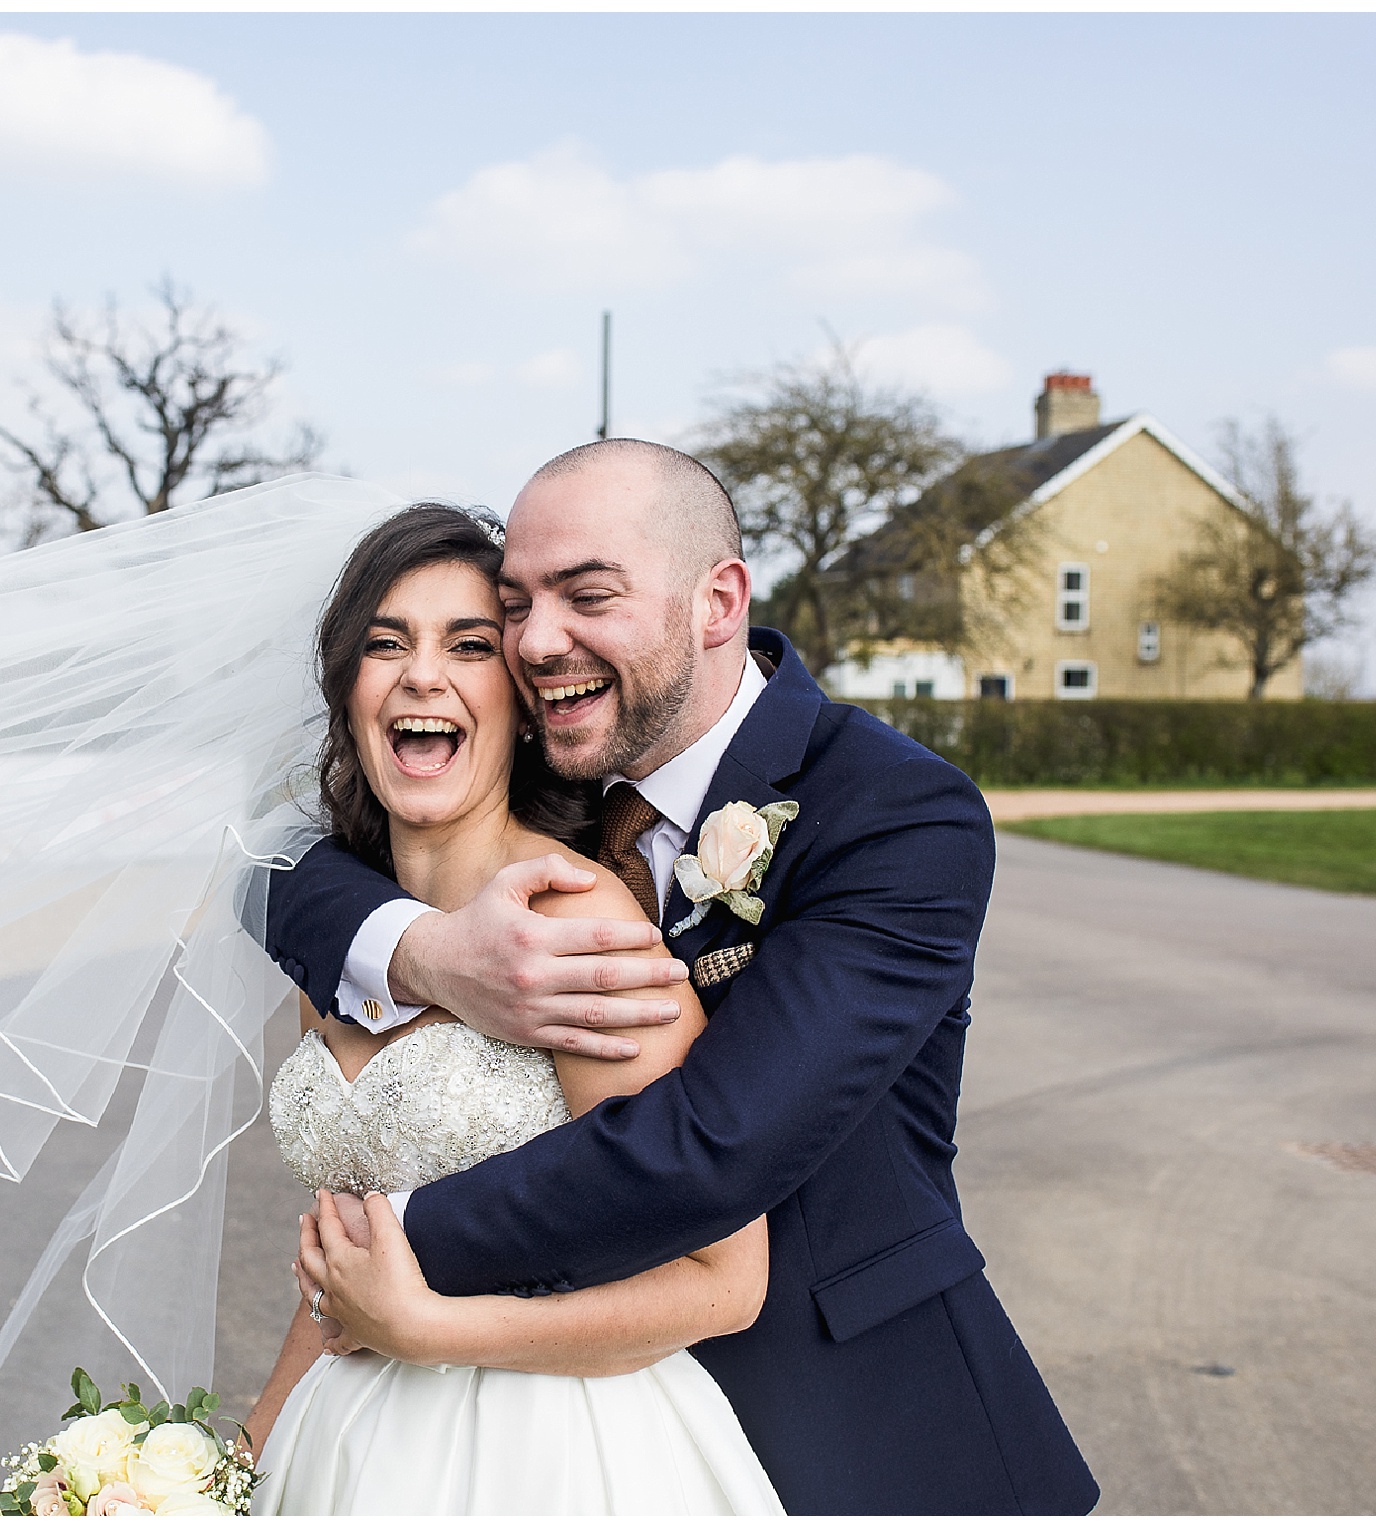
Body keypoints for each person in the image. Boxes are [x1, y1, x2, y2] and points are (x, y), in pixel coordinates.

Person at [262, 439, 1100, 1515]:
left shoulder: (891, 812)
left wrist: (377, 1253)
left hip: (854, 1420)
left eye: (586, 595)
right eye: (515, 605)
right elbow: (288, 875)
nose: (536, 641)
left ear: (719, 601)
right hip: (532, 1439)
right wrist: (423, 952)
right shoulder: (558, 783)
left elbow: (710, 1145)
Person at [236, 503, 782, 1513]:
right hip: (344, 1451)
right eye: (384, 643)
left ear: (522, 698)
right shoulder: (344, 947)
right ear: (348, 689)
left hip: (555, 1456)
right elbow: (338, 1270)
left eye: (468, 644)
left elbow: (723, 1277)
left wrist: (429, 1329)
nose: (421, 674)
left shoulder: (578, 917)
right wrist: (246, 1454)